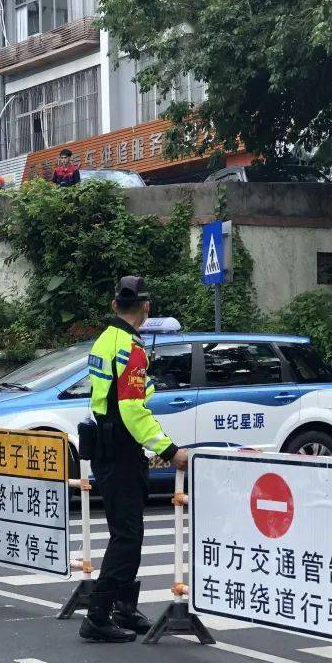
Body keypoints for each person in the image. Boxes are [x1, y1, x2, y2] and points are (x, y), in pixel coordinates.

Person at [80, 276, 189, 643]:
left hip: (105, 445)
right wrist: (171, 451)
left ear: (114, 306)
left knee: (126, 532)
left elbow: (110, 394)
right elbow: (132, 410)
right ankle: (98, 614)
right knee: (127, 536)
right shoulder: (132, 349)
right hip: (123, 449)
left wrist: (147, 385)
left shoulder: (103, 341)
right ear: (146, 308)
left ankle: (124, 608)